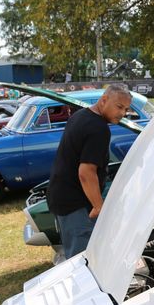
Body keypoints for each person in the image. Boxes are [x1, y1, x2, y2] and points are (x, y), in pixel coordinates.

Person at [47, 83, 132, 258]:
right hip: (76, 204)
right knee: (82, 261)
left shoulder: (80, 115)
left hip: (60, 196)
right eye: (119, 107)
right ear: (104, 100)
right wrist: (98, 205)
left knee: (73, 253)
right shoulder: (99, 129)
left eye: (126, 109)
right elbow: (86, 172)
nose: (122, 114)